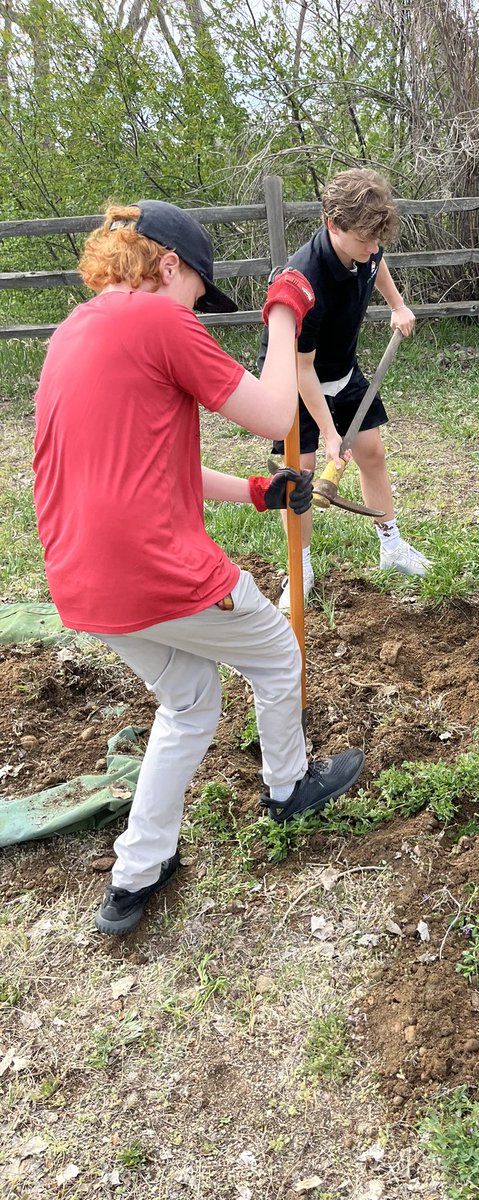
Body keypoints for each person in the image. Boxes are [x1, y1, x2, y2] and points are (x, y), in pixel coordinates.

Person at [33, 200, 365, 935]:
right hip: (153, 567)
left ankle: (136, 873)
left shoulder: (76, 332)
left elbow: (153, 463)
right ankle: (287, 789)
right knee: (278, 655)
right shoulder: (157, 320)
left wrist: (253, 490)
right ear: (169, 265)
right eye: (197, 296)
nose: (198, 313)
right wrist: (284, 313)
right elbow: (278, 411)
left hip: (80, 577)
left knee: (188, 702)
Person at [259, 168, 431, 608]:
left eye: (378, 241)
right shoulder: (304, 280)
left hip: (341, 367)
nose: (373, 250)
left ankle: (391, 545)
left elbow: (377, 264)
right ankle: (301, 567)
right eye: (365, 240)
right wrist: (331, 433)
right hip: (297, 379)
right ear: (332, 225)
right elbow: (301, 369)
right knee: (303, 472)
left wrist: (397, 304)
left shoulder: (366, 244)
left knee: (372, 452)